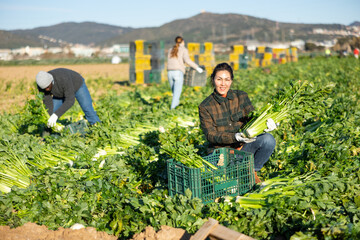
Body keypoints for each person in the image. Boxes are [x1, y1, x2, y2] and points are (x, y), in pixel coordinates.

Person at [198, 62, 276, 183]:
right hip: (222, 155)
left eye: (227, 79)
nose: (223, 83)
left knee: (268, 139)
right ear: (213, 80)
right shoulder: (205, 106)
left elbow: (252, 118)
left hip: (245, 150)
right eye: (219, 79)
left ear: (231, 81)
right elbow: (210, 135)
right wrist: (235, 137)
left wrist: (265, 125)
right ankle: (238, 172)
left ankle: (252, 171)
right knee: (208, 173)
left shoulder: (241, 96)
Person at [36, 68, 101, 128]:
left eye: (47, 87)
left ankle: (97, 128)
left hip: (77, 86)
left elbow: (70, 100)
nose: (46, 89)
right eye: (44, 88)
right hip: (59, 93)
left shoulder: (62, 78)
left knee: (87, 109)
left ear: (51, 81)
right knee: (51, 113)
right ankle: (47, 136)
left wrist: (56, 115)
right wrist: (50, 117)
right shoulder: (41, 85)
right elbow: (47, 102)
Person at [167, 36, 204, 109]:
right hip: (178, 72)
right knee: (176, 94)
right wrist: (197, 67)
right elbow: (187, 60)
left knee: (174, 93)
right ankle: (172, 110)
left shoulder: (170, 49)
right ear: (183, 41)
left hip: (169, 72)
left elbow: (171, 61)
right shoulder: (183, 49)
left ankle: (175, 107)